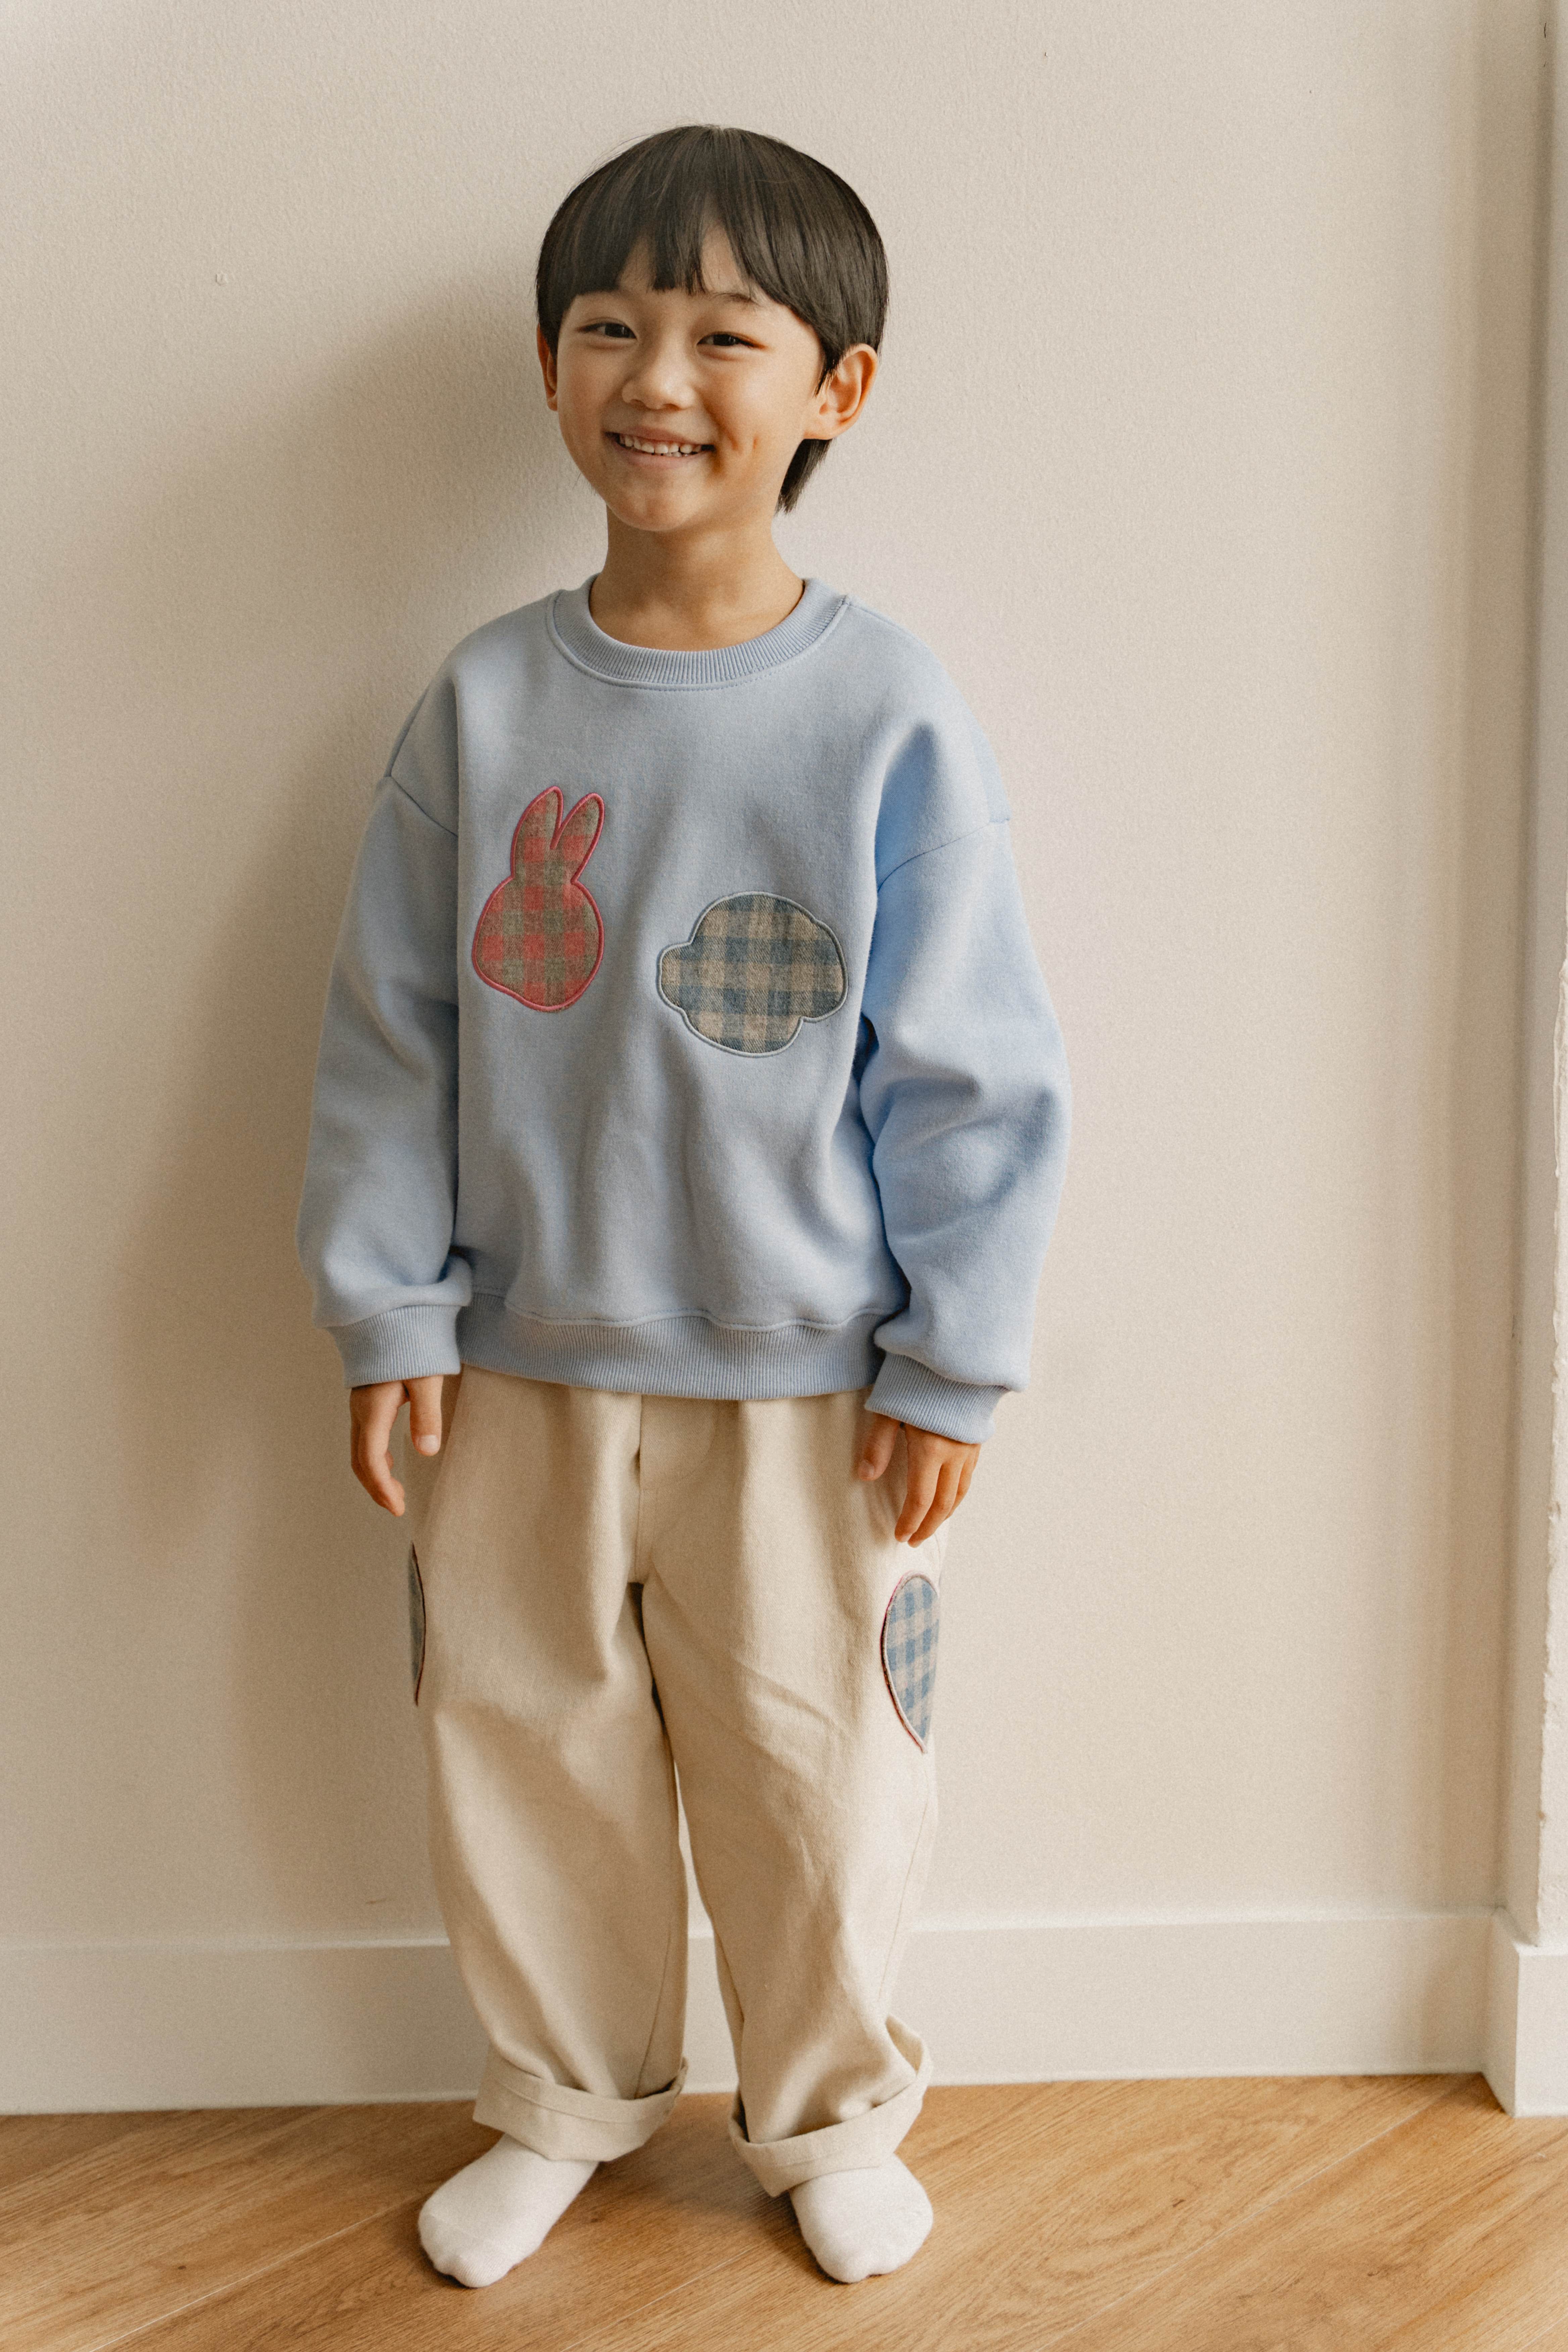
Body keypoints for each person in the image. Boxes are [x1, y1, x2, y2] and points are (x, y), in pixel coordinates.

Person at [294, 121, 1071, 2291]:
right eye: (610, 326)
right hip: (517, 1366)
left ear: (837, 388)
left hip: (815, 1390)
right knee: (525, 1754)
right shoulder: (486, 702)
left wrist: (955, 1359)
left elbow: (973, 1070)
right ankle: (561, 2101)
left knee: (823, 1777)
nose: (657, 376)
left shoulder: (886, 712)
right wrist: (388, 1308)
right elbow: (391, 1034)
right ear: (552, 368)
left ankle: (828, 2116)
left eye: (726, 333)